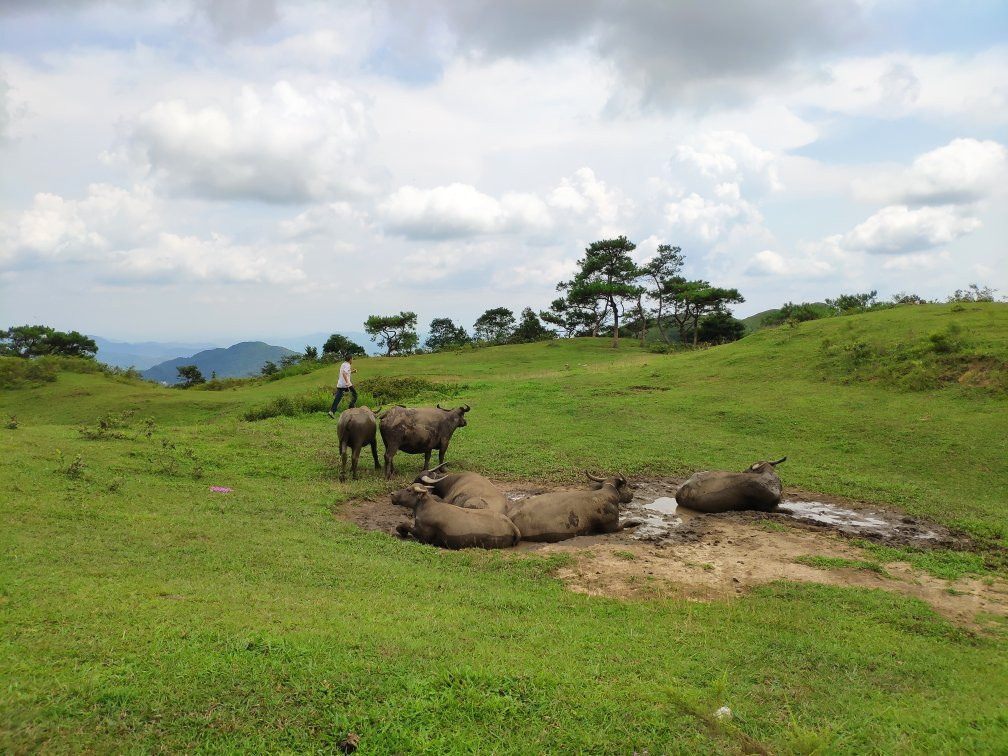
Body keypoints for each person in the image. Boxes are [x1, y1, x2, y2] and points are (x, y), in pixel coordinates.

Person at [328, 353, 357, 418]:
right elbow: (344, 373)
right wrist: (348, 383)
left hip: (340, 384)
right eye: (352, 359)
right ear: (350, 359)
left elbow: (346, 373)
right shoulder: (348, 365)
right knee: (355, 394)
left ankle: (332, 411)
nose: (352, 361)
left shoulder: (343, 364)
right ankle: (351, 410)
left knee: (338, 398)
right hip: (345, 384)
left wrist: (352, 372)